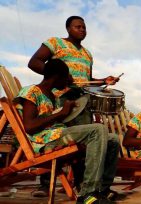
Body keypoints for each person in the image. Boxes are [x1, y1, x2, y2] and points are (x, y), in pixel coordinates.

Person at [27, 15, 120, 197]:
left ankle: (85, 187)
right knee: (54, 135)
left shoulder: (87, 54)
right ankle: (46, 184)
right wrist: (60, 76)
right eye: (78, 26)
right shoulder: (55, 43)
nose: (82, 30)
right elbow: (34, 62)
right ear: (68, 28)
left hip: (81, 100)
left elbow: (86, 81)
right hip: (58, 98)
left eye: (84, 27)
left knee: (85, 142)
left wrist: (103, 81)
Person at [15, 59, 120, 203]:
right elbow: (30, 126)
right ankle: (87, 194)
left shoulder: (53, 97)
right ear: (57, 76)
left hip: (59, 134)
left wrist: (70, 112)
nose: (68, 81)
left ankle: (102, 190)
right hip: (44, 140)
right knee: (98, 130)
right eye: (66, 77)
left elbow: (60, 120)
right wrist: (60, 113)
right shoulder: (32, 91)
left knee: (113, 139)